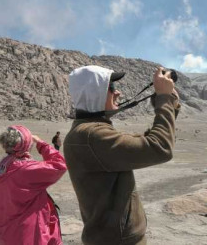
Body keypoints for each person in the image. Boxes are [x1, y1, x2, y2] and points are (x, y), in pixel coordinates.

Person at [64, 65, 180, 245]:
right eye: (110, 87)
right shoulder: (92, 136)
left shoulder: (89, 132)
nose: (117, 92)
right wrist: (164, 98)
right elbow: (160, 147)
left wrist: (169, 105)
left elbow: (146, 143)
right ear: (95, 92)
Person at [0, 125, 67, 245]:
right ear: (26, 145)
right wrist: (42, 145)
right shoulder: (29, 170)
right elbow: (60, 165)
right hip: (29, 235)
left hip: (2, 235)